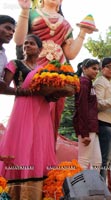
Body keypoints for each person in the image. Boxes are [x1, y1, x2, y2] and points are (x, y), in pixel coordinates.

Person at [15, 0, 94, 140]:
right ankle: (26, 149)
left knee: (53, 113)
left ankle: (47, 151)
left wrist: (82, 33)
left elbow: (70, 54)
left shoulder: (65, 23)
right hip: (35, 65)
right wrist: (24, 10)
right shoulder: (32, 13)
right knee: (31, 105)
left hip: (58, 71)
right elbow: (19, 40)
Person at [0, 34, 56, 200]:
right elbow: (2, 88)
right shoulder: (15, 64)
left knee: (40, 144)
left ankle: (38, 191)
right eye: (25, 43)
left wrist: (53, 95)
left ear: (39, 49)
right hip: (23, 109)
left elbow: (46, 92)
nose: (27, 46)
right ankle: (16, 192)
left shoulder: (44, 71)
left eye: (31, 43)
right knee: (21, 144)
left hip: (42, 111)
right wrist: (20, 91)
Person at [73, 58, 102, 171]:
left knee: (97, 162)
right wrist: (84, 133)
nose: (96, 71)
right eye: (93, 68)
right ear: (84, 69)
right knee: (84, 162)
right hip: (87, 128)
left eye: (97, 69)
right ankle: (80, 188)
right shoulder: (84, 82)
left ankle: (94, 188)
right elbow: (82, 107)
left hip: (92, 127)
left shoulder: (89, 83)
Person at [0, 15, 16, 92]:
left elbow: (3, 86)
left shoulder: (3, 57)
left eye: (13, 31)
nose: (11, 33)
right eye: (8, 28)